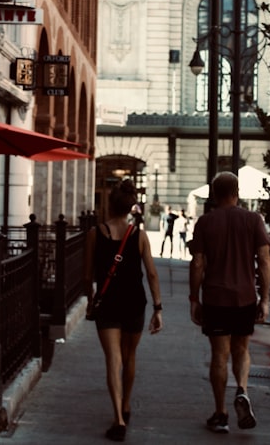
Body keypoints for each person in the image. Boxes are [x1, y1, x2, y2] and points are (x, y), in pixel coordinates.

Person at [188, 172, 270, 434]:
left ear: (214, 194)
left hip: (216, 297)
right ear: (237, 192)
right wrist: (265, 298)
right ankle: (243, 390)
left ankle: (221, 413)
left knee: (219, 355)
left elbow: (198, 262)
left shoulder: (205, 222)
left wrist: (194, 298)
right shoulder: (253, 220)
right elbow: (265, 259)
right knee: (241, 349)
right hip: (245, 296)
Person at [83, 179, 163, 442]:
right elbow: (151, 274)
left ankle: (118, 418)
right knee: (130, 357)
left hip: (107, 305)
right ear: (130, 208)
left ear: (109, 206)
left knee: (112, 360)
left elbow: (87, 275)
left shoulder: (95, 233)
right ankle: (126, 405)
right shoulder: (139, 236)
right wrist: (158, 308)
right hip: (134, 303)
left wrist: (90, 298)